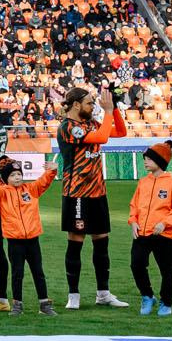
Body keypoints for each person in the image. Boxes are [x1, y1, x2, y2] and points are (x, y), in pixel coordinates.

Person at [56, 86, 127, 310]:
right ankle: (73, 295)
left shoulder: (90, 124)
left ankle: (103, 293)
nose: (93, 106)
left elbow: (120, 132)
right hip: (77, 192)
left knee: (102, 243)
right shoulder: (68, 127)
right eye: (89, 103)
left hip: (98, 193)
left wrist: (113, 109)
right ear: (76, 105)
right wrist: (106, 112)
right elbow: (104, 137)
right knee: (76, 243)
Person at [128, 144, 172, 318]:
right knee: (136, 264)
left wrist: (165, 223)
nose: (145, 161)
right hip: (142, 233)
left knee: (167, 271)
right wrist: (133, 221)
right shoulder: (143, 182)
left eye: (149, 158)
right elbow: (134, 205)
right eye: (145, 158)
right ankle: (147, 296)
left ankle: (166, 302)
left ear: (160, 161)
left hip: (165, 235)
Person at [0, 158, 56, 316]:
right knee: (17, 273)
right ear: (6, 178)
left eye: (19, 174)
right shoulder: (3, 192)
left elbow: (44, 181)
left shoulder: (31, 189)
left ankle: (44, 304)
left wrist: (52, 171)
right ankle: (17, 305)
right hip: (15, 241)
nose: (17, 177)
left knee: (38, 272)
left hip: (33, 240)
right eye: (13, 175)